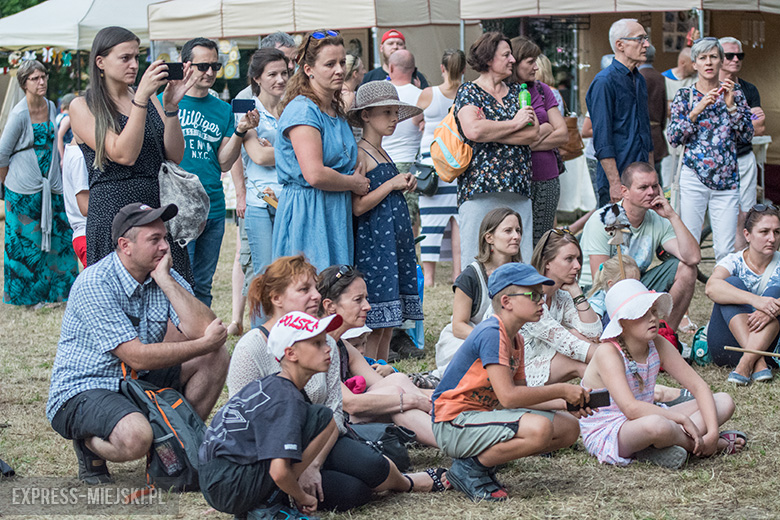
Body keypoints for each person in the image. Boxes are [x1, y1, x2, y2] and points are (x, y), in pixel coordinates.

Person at [226, 257, 447, 511]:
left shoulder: (325, 341)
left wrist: (313, 465)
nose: (315, 297)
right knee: (351, 492)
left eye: (314, 289)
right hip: (270, 456)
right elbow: (240, 424)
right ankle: (280, 493)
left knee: (371, 468)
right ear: (276, 298)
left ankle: (408, 481)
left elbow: (334, 413)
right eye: (304, 290)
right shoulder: (252, 347)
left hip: (318, 445)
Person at [46, 203, 228, 485]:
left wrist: (166, 281)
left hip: (136, 381)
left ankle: (175, 444)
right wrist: (204, 344)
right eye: (154, 240)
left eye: (165, 238)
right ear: (125, 246)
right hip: (86, 388)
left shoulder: (163, 273)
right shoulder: (95, 282)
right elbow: (137, 357)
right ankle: (88, 443)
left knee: (213, 357)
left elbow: (205, 330)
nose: (165, 247)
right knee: (136, 437)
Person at [432, 263, 590, 502]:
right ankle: (469, 468)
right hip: (453, 423)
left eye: (542, 295)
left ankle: (483, 462)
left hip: (480, 419)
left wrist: (566, 402)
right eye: (534, 295)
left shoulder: (515, 337)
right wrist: (562, 389)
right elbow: (508, 398)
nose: (542, 302)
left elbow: (520, 394)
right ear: (506, 302)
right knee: (540, 429)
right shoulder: (491, 332)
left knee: (569, 429)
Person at [69, 26, 194, 281]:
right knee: (116, 293)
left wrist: (171, 108)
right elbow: (123, 154)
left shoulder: (146, 98)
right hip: (113, 211)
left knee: (168, 291)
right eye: (125, 58)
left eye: (137, 57)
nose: (134, 65)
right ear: (100, 62)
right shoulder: (82, 105)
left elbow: (173, 155)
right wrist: (142, 101)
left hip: (154, 205)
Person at [579, 279, 744, 468]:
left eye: (653, 311)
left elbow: (698, 387)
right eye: (642, 314)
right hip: (612, 429)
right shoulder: (608, 352)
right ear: (622, 322)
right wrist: (684, 421)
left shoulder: (657, 343)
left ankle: (661, 446)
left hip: (648, 416)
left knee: (724, 401)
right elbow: (630, 408)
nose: (652, 318)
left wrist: (713, 432)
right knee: (658, 426)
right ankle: (697, 446)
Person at [199, 311, 341, 519]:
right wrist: (302, 496)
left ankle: (259, 504)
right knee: (325, 419)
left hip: (218, 477)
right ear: (291, 354)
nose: (328, 348)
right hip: (230, 482)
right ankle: (267, 507)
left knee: (318, 417)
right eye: (317, 343)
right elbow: (279, 471)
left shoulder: (274, 386)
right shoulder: (285, 398)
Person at [272, 30, 370, 272]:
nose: (339, 70)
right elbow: (314, 174)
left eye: (341, 63)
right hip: (308, 212)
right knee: (311, 290)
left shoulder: (334, 110)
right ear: (308, 70)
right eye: (330, 64)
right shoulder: (303, 111)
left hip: (334, 210)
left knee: (336, 291)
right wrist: (353, 183)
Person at [169, 37, 256, 307]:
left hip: (213, 204)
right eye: (203, 66)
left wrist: (240, 132)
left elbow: (223, 163)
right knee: (180, 280)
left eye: (215, 66)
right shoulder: (165, 102)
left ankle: (201, 348)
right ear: (186, 65)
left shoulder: (222, 109)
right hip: (177, 204)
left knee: (203, 284)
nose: (209, 72)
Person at [317, 265, 438, 447]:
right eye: (358, 300)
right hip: (330, 428)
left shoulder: (342, 345)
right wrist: (413, 400)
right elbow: (351, 404)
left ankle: (455, 432)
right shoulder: (317, 347)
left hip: (348, 417)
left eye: (366, 298)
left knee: (396, 381)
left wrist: (444, 398)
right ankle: (455, 441)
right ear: (329, 306)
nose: (367, 306)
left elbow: (381, 382)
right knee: (395, 396)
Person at [349, 81, 423, 361]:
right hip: (375, 245)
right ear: (366, 115)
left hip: (392, 244)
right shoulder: (361, 153)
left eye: (395, 113)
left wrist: (401, 183)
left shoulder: (382, 151)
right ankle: (370, 368)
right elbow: (358, 206)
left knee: (389, 320)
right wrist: (391, 184)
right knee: (375, 317)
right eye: (387, 113)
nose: (393, 119)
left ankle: (382, 366)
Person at [579, 162, 700, 330]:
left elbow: (692, 257)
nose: (651, 192)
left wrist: (672, 216)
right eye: (643, 187)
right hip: (599, 293)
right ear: (624, 192)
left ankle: (666, 337)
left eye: (654, 186)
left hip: (635, 284)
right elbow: (600, 280)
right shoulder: (602, 219)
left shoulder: (658, 219)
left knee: (687, 269)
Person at [455, 32, 540, 267]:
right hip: (479, 188)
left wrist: (491, 131)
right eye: (506, 55)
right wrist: (514, 124)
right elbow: (473, 131)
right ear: (489, 59)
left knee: (520, 259)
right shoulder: (469, 92)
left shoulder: (517, 92)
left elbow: (533, 133)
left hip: (518, 188)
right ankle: (477, 304)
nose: (513, 59)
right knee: (476, 257)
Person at [667, 37, 754, 263]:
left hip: (727, 180)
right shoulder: (684, 96)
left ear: (721, 61)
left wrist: (732, 106)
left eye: (713, 57)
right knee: (690, 243)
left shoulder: (736, 94)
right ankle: (685, 288)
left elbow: (747, 135)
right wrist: (696, 110)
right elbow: (674, 138)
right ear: (694, 63)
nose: (708, 62)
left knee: (726, 249)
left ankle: (722, 294)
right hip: (693, 177)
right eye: (702, 58)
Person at [0, 59, 78, 306]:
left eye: (43, 76)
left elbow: (54, 143)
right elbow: (2, 153)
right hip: (23, 188)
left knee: (59, 237)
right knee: (25, 244)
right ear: (25, 83)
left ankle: (61, 293)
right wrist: (9, 184)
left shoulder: (51, 106)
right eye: (35, 78)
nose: (42, 81)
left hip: (51, 184)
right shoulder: (19, 114)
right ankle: (27, 298)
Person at [432, 208, 523, 379]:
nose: (516, 236)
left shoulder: (523, 274)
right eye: (508, 231)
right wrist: (493, 341)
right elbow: (458, 326)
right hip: (469, 338)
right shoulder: (471, 276)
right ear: (489, 238)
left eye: (518, 231)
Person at [705, 204, 780, 385]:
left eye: (777, 232)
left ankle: (746, 364)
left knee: (776, 291)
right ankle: (757, 361)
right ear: (747, 235)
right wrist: (757, 301)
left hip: (771, 347)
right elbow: (711, 288)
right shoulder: (733, 261)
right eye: (764, 232)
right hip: (727, 346)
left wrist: (772, 307)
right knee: (730, 284)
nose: (772, 238)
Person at [585, 18, 653, 207]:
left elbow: (645, 133)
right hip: (618, 177)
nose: (646, 44)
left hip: (641, 176)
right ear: (620, 45)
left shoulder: (638, 80)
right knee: (616, 234)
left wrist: (652, 175)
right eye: (640, 39)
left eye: (646, 39)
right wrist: (615, 184)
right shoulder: (604, 82)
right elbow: (603, 139)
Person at [522, 228, 602, 386]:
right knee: (578, 363)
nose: (578, 266)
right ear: (547, 262)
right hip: (515, 370)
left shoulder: (561, 295)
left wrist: (576, 292)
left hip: (545, 357)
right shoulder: (529, 295)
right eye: (569, 259)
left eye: (578, 259)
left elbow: (593, 333)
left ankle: (627, 396)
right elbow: (568, 344)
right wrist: (614, 357)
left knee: (577, 338)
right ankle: (628, 397)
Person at [511, 36, 568, 245]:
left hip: (547, 177)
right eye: (530, 62)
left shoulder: (543, 90)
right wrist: (544, 128)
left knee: (541, 241)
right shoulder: (503, 92)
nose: (536, 67)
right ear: (514, 62)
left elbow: (562, 134)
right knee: (516, 240)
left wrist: (529, 142)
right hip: (515, 179)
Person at [417, 49, 466, 287]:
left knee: (430, 221)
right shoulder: (467, 95)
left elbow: (414, 120)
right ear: (464, 69)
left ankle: (429, 278)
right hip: (457, 161)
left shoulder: (429, 94)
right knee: (458, 220)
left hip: (432, 162)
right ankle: (458, 273)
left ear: (442, 68)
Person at [240, 48, 289, 278]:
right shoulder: (246, 108)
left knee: (291, 272)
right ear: (257, 77)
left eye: (285, 73)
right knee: (266, 275)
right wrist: (294, 152)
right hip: (260, 200)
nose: (281, 79)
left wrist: (275, 151)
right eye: (272, 74)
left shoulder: (293, 108)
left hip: (290, 198)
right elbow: (258, 156)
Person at [719, 36, 767, 250]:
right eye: (730, 55)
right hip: (719, 161)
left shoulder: (750, 89)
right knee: (723, 213)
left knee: (745, 213)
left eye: (740, 55)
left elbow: (759, 128)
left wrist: (741, 122)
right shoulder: (710, 89)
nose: (736, 59)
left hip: (744, 157)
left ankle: (740, 256)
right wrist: (746, 118)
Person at [383, 50, 424, 233]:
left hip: (383, 161)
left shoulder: (382, 95)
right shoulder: (422, 95)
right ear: (414, 70)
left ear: (390, 68)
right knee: (410, 219)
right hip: (411, 163)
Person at [638, 45, 668, 177]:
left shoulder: (638, 77)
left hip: (641, 134)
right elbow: (663, 106)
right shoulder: (659, 77)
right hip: (656, 131)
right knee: (656, 174)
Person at [361, 29, 428, 89]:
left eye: (399, 44)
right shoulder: (369, 78)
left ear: (405, 48)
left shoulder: (417, 77)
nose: (395, 47)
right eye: (390, 44)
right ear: (381, 48)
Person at [587, 254, 641, 327]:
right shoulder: (598, 302)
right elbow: (592, 327)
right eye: (629, 283)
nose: (634, 287)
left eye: (636, 283)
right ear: (611, 285)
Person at [61, 142, 89, 267]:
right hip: (86, 234)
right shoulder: (80, 156)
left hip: (83, 234)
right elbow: (85, 207)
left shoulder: (73, 151)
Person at [56, 93, 76, 161]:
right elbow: (59, 136)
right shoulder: (67, 118)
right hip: (65, 152)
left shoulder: (59, 116)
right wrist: (62, 157)